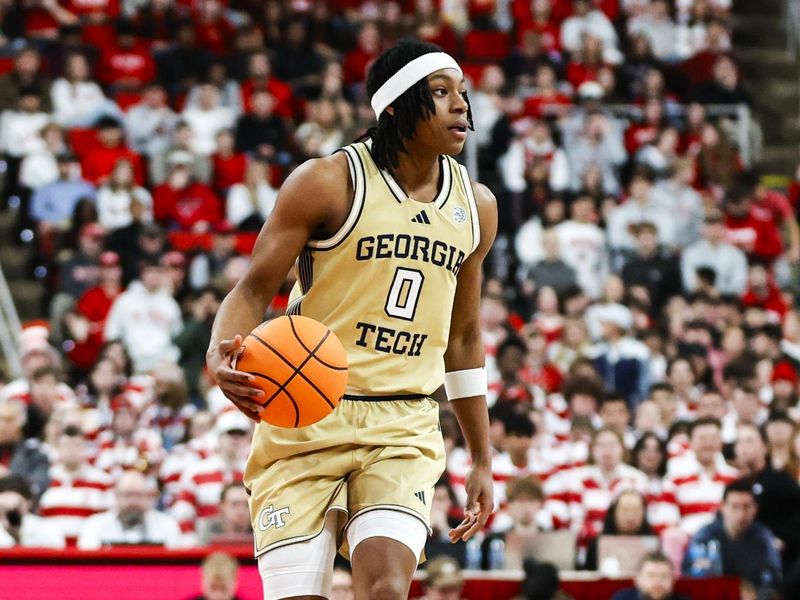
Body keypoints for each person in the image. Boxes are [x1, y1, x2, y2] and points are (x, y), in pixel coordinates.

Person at [206, 40, 496, 600]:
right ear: (394, 108)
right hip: (305, 413)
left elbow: (463, 338)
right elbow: (253, 288)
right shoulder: (327, 181)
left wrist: (482, 458)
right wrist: (221, 348)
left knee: (385, 589)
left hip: (403, 423)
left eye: (462, 93)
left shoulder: (476, 204)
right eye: (440, 93)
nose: (461, 106)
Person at [682, 480, 782, 598]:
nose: (741, 514)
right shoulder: (705, 538)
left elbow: (773, 581)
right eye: (735, 506)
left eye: (746, 507)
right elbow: (693, 579)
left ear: (755, 508)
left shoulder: (764, 539)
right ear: (722, 507)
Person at [77, 471, 184, 549]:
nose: (133, 501)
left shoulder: (167, 525)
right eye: (127, 495)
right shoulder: (95, 526)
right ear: (116, 496)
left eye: (138, 495)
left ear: (148, 496)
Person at [611, 552, 689, 600]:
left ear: (672, 580)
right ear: (638, 579)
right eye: (651, 575)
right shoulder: (622, 598)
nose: (658, 581)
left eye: (664, 576)